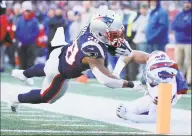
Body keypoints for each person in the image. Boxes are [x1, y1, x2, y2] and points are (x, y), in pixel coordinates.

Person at [10, 10, 142, 112]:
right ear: (101, 33)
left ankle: (23, 74)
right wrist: (130, 84)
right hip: (60, 73)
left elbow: (119, 46)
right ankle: (16, 99)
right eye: (114, 34)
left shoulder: (93, 27)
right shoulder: (93, 50)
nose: (118, 36)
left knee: (46, 67)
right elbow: (105, 79)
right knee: (46, 97)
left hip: (61, 51)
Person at [113, 50, 188, 123]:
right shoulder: (156, 60)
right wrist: (116, 72)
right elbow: (130, 54)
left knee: (127, 111)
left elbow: (154, 119)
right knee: (125, 109)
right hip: (159, 92)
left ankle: (147, 108)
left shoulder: (166, 89)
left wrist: (126, 116)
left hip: (165, 96)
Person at [172, 0, 192, 86]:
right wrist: (184, 25)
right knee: (178, 62)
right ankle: (180, 80)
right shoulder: (179, 15)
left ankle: (189, 81)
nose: (187, 4)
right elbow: (174, 25)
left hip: (189, 42)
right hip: (179, 42)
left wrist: (183, 25)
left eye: (189, 3)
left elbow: (189, 25)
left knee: (189, 63)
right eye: (186, 3)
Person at [15, 1, 40, 70]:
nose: (27, 12)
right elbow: (17, 30)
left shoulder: (34, 20)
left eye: (28, 11)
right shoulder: (20, 19)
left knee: (31, 58)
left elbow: (37, 31)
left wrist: (30, 39)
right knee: (22, 58)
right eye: (26, 11)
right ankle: (22, 71)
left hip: (31, 43)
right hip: (22, 42)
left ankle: (30, 72)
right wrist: (21, 39)